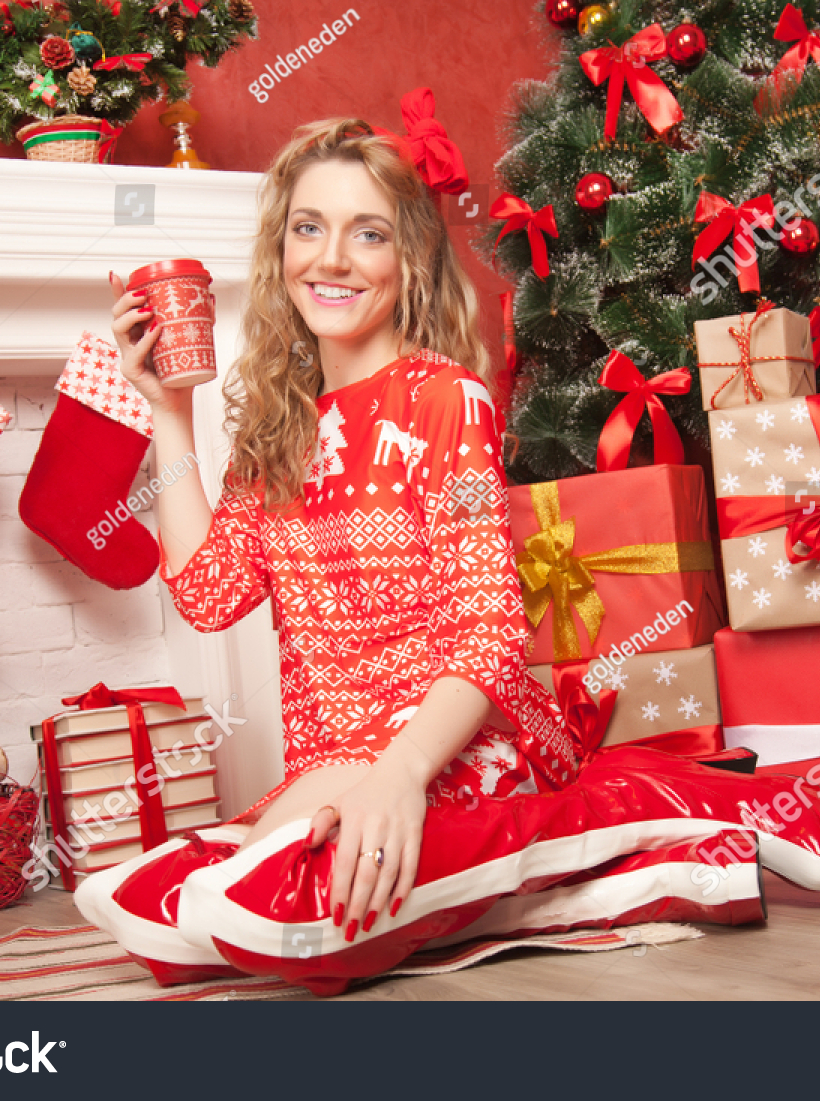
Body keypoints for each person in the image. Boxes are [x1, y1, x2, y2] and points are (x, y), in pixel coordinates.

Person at [105, 115, 581, 944]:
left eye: (368, 234)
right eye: (308, 229)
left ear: (409, 261)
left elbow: (489, 637)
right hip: (333, 764)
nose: (330, 259)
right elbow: (210, 595)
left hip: (447, 751)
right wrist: (168, 412)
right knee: (206, 900)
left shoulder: (444, 401)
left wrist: (397, 774)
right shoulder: (279, 430)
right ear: (281, 252)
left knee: (250, 904)